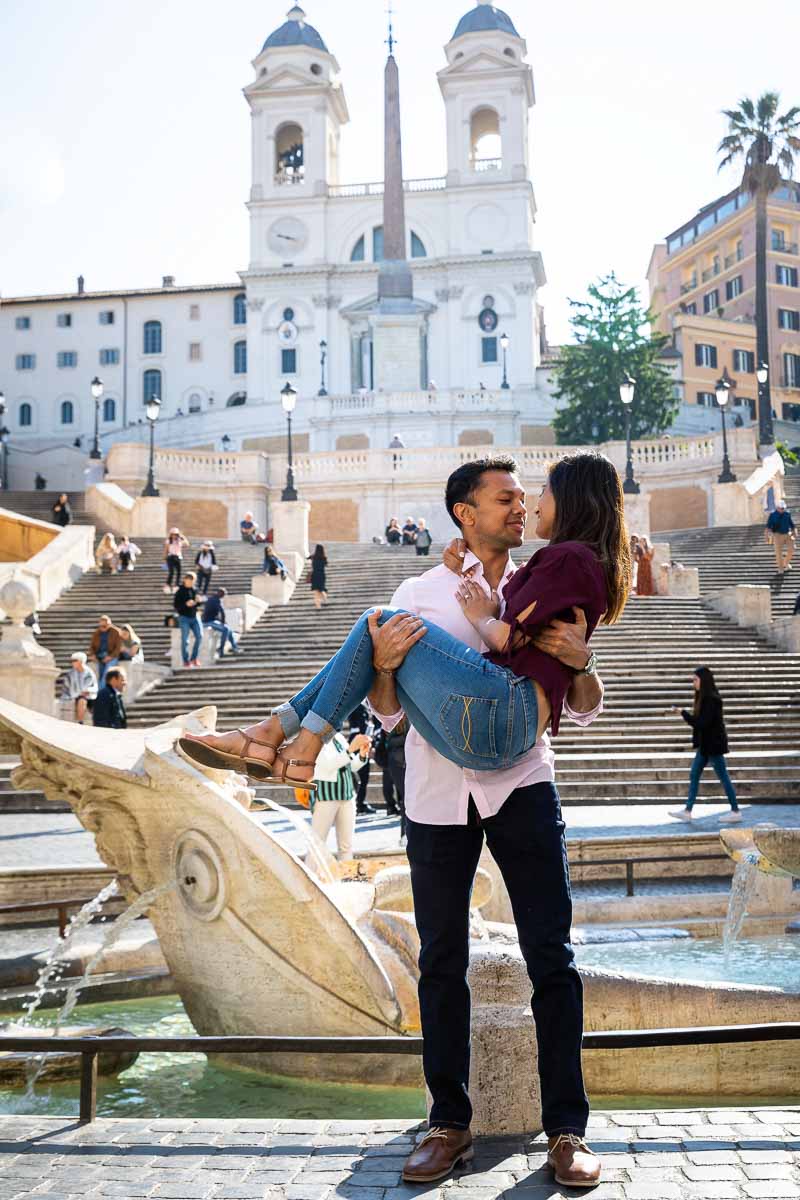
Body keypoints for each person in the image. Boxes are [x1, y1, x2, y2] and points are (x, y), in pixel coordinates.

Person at [180, 454, 619, 1189]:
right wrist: (383, 667)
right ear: (463, 513)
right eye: (503, 499)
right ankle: (448, 1123)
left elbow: (580, 700)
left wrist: (581, 660)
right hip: (437, 790)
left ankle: (567, 1132)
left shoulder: (534, 581)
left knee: (553, 957)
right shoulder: (419, 590)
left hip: (521, 781)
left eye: (524, 499)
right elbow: (386, 710)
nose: (518, 509)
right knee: (440, 960)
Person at [669, 666, 740, 823]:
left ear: (703, 680)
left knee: (723, 777)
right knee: (694, 774)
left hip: (713, 746)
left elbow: (701, 723)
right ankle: (688, 811)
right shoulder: (704, 698)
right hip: (706, 746)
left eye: (695, 679)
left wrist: (683, 713)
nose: (693, 682)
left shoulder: (711, 699)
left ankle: (735, 811)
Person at [308, 730, 370, 862]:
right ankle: (309, 878)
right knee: (318, 843)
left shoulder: (338, 737)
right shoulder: (315, 737)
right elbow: (328, 765)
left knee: (346, 845)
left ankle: (347, 879)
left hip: (347, 795)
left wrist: (362, 755)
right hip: (326, 796)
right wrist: (351, 749)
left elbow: (351, 766)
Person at [347, 704, 376, 815]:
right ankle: (359, 803)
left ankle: (359, 802)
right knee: (363, 776)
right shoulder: (359, 706)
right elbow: (362, 726)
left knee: (360, 776)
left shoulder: (358, 706)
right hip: (359, 741)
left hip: (355, 740)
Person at [202, 588, 243, 657]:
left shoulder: (211, 599)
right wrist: (223, 623)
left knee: (228, 630)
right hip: (208, 622)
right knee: (226, 629)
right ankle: (221, 649)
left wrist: (222, 622)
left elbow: (214, 613)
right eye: (223, 594)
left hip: (212, 620)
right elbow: (222, 612)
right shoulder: (216, 600)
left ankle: (234, 647)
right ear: (220, 593)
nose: (223, 596)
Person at [174, 572, 203, 669]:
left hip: (195, 616)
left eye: (193, 581)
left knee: (199, 637)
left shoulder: (194, 589)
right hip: (184, 617)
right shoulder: (180, 591)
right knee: (185, 640)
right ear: (185, 580)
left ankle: (194, 658)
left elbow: (197, 604)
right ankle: (186, 661)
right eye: (190, 581)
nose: (191, 583)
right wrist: (186, 605)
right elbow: (176, 606)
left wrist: (198, 602)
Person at [60, 652, 98, 724]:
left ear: (81, 661)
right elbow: (66, 688)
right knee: (80, 700)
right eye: (72, 661)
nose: (72, 663)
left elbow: (94, 686)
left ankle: (83, 721)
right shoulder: (70, 674)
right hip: (74, 695)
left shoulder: (89, 673)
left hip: (89, 696)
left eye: (74, 660)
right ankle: (79, 721)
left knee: (84, 700)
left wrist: (87, 691)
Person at [88, 614, 123, 685]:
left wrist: (110, 657)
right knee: (99, 672)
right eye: (101, 626)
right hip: (100, 656)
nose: (102, 628)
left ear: (109, 624)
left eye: (104, 626)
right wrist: (92, 655)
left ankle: (101, 689)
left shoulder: (116, 632)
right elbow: (92, 646)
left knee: (107, 671)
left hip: (112, 656)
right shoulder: (97, 633)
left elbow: (118, 647)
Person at [766, 499, 796, 573]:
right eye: (781, 508)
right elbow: (768, 526)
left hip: (787, 533)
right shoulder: (772, 515)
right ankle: (780, 567)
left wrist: (794, 531)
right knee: (778, 552)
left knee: (792, 549)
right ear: (777, 507)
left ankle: (786, 563)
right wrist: (767, 535)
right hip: (777, 535)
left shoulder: (787, 514)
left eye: (784, 508)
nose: (783, 509)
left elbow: (791, 524)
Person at [164, 528, 189, 594]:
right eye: (173, 534)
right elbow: (166, 550)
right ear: (171, 535)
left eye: (175, 534)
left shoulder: (180, 540)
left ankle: (176, 585)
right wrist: (165, 558)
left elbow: (187, 544)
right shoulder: (168, 541)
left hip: (178, 557)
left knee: (179, 572)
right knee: (171, 572)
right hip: (170, 557)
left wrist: (182, 537)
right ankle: (168, 585)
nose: (174, 536)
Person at [309, 544, 328, 610]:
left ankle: (318, 605)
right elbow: (326, 564)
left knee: (316, 591)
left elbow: (307, 557)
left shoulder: (313, 557)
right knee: (321, 589)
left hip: (315, 575)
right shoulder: (324, 558)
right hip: (321, 575)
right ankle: (325, 599)